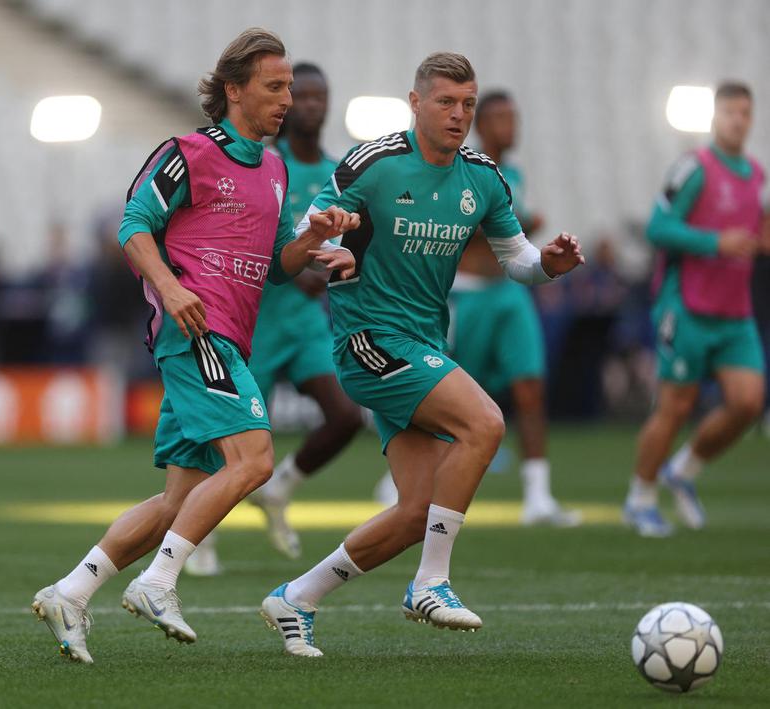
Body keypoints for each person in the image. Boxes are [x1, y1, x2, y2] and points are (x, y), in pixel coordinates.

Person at [30, 28, 358, 664]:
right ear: (233, 90)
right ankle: (158, 582)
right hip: (195, 333)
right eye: (274, 86)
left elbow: (278, 268)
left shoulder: (274, 167)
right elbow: (134, 226)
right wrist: (169, 290)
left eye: (290, 86)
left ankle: (72, 592)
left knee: (177, 501)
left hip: (228, 334)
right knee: (256, 460)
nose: (287, 98)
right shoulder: (187, 152)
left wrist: (311, 234)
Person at [258, 52, 584, 657]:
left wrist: (549, 266)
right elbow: (305, 229)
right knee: (485, 422)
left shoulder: (483, 177)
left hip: (422, 343)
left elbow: (517, 259)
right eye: (445, 102)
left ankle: (296, 598)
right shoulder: (373, 163)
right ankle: (431, 584)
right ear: (416, 103)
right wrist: (326, 243)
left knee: (415, 513)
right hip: (368, 341)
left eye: (466, 103)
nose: (458, 115)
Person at [185, 63, 363, 575]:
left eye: (317, 95)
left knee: (346, 415)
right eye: (297, 93)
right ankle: (202, 538)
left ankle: (281, 488)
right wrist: (293, 261)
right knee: (228, 440)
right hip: (255, 317)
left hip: (304, 320)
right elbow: (239, 240)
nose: (307, 103)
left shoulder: (339, 172)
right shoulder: (263, 162)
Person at [374, 90, 580, 526]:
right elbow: (459, 228)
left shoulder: (515, 174)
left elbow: (516, 234)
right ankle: (400, 475)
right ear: (481, 125)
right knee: (437, 390)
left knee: (530, 387)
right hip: (464, 295)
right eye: (500, 117)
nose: (510, 126)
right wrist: (518, 224)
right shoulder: (462, 170)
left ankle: (538, 495)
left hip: (508, 291)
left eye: (514, 116)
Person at [623, 81, 767, 537]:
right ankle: (640, 498)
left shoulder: (757, 176)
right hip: (686, 306)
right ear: (715, 118)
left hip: (735, 311)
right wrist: (715, 242)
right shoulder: (694, 168)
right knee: (675, 406)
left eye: (745, 112)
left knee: (748, 402)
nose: (737, 120)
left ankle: (682, 470)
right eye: (729, 112)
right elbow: (657, 227)